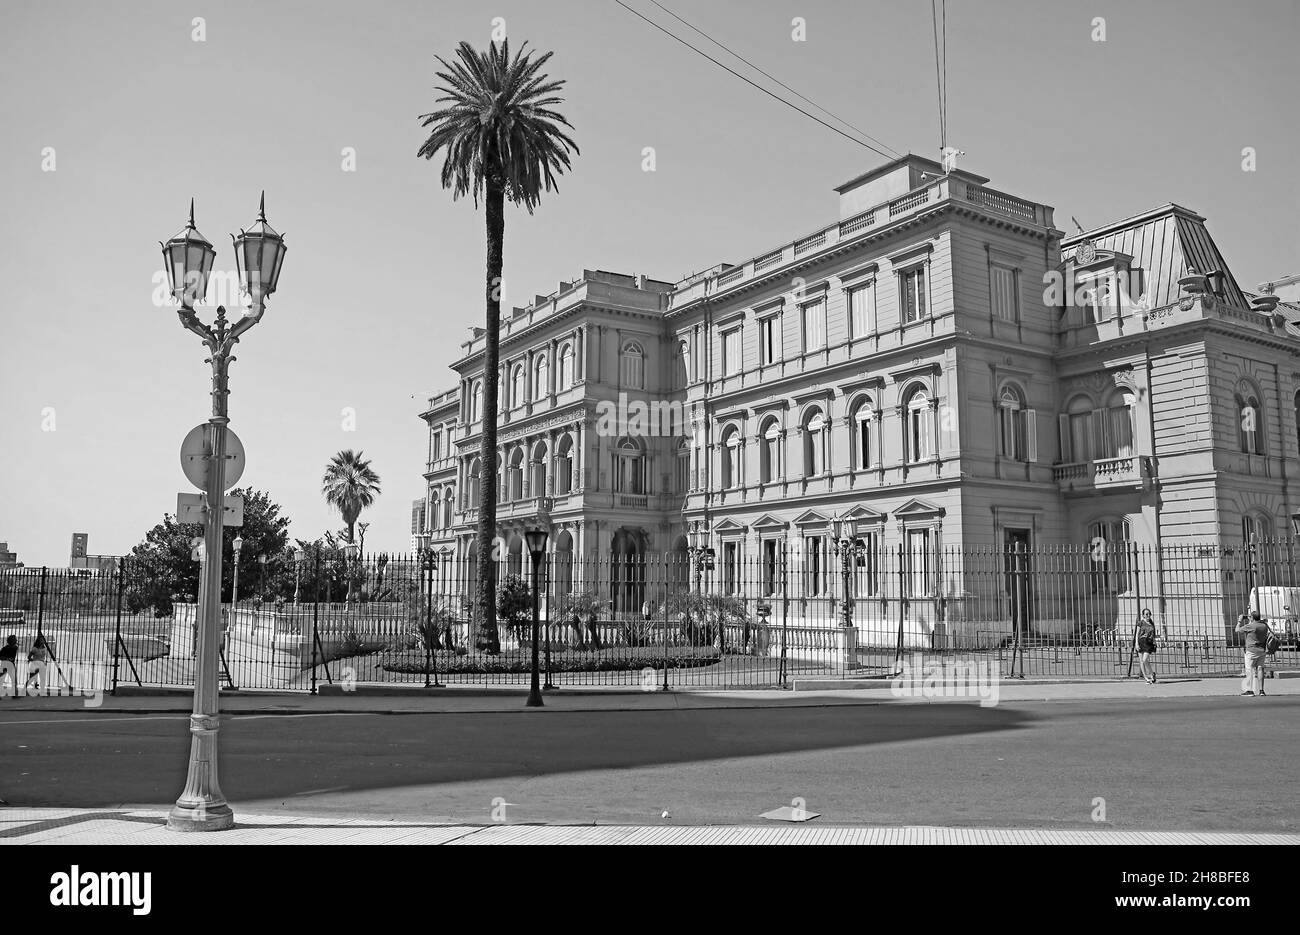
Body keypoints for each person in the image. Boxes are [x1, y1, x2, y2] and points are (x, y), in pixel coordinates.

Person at [1235, 610, 1270, 697]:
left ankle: (1249, 690)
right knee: (1260, 669)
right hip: (1261, 650)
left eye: (1250, 616)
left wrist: (1239, 621)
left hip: (1251, 651)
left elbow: (1237, 630)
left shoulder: (1251, 626)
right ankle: (1261, 690)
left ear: (1253, 618)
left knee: (1249, 670)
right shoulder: (1264, 625)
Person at [1135, 608, 1158, 684]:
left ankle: (1151, 673)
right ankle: (1146, 678)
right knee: (1141, 661)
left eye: (1149, 614)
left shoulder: (1151, 623)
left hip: (1148, 643)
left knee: (1145, 660)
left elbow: (1153, 635)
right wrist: (1136, 643)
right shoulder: (1140, 623)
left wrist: (1154, 643)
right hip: (1141, 642)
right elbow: (1137, 634)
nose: (1148, 615)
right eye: (1146, 614)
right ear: (1143, 615)